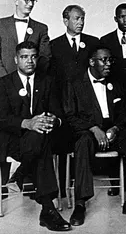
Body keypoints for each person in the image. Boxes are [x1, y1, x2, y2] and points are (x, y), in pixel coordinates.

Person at [64, 46, 126, 227]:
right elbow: (70, 116)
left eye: (110, 60)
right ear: (92, 62)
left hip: (112, 132)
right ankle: (80, 204)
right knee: (82, 143)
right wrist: (93, 128)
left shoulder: (115, 83)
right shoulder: (75, 84)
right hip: (89, 132)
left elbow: (124, 114)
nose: (108, 64)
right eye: (103, 60)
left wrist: (115, 128)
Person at [0, 41, 71, 231]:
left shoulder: (47, 82)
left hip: (40, 139)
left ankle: (24, 178)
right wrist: (27, 123)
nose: (29, 61)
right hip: (14, 141)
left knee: (42, 136)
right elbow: (2, 118)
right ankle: (48, 209)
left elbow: (59, 114)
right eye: (24, 57)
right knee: (41, 140)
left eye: (33, 56)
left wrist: (52, 120)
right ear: (16, 59)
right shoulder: (4, 83)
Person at [0, 0, 51, 77]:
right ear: (16, 1)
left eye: (32, 1)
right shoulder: (1, 25)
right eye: (27, 0)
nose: (30, 4)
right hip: (4, 81)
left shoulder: (41, 28)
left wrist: (32, 78)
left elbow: (44, 57)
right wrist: (5, 79)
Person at [50, 4, 100, 89]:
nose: (81, 22)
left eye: (82, 19)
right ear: (66, 21)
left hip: (87, 93)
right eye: (77, 19)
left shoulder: (93, 42)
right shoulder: (53, 45)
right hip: (63, 94)